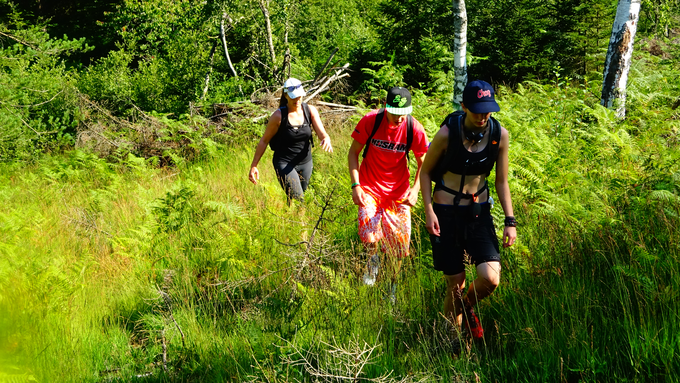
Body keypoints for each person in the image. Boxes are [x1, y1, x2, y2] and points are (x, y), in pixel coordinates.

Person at [420, 80, 517, 340]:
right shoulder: (447, 134)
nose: (483, 116)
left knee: (491, 277)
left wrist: (510, 220)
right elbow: (426, 172)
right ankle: (450, 340)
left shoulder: (499, 135)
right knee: (456, 281)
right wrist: (428, 211)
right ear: (464, 107)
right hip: (445, 213)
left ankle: (464, 306)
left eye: (487, 110)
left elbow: (501, 181)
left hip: (479, 212)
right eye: (477, 110)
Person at [347, 87, 429, 300]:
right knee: (369, 235)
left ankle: (391, 289)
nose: (400, 118)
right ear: (386, 107)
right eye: (395, 113)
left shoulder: (414, 128)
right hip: (369, 187)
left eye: (404, 113)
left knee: (399, 247)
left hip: (398, 193)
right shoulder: (371, 121)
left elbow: (424, 164)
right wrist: (356, 185)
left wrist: (415, 190)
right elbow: (353, 153)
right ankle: (372, 262)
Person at [249, 78, 333, 203]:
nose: (297, 100)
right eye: (293, 97)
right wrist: (254, 165)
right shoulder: (278, 116)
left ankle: (292, 219)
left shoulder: (310, 111)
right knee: (300, 199)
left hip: (306, 162)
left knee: (296, 197)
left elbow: (322, 133)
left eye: (299, 96)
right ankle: (302, 222)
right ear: (286, 95)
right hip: (284, 163)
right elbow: (264, 141)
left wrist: (326, 138)